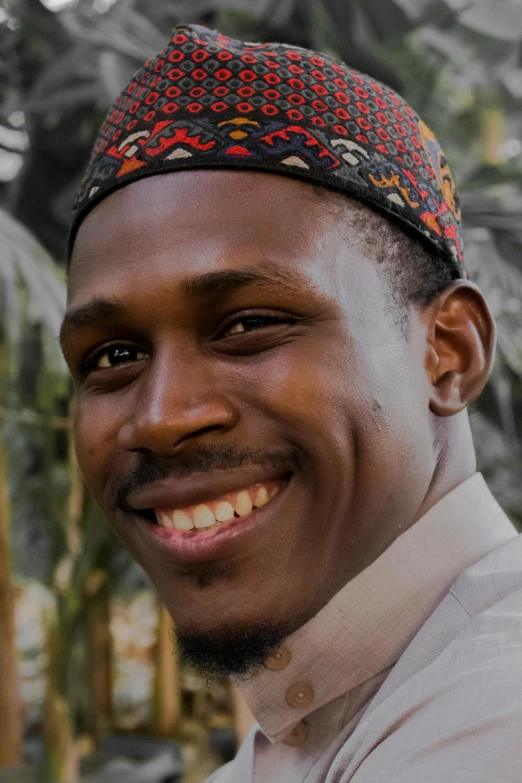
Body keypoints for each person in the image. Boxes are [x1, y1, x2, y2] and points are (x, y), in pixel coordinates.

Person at [59, 23, 522, 783]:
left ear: (449, 351)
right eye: (114, 357)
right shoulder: (308, 732)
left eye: (247, 325)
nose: (162, 416)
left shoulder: (497, 708)